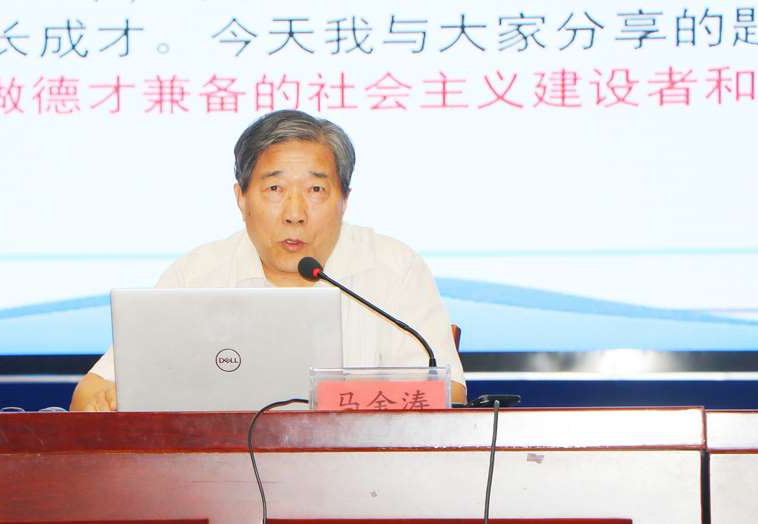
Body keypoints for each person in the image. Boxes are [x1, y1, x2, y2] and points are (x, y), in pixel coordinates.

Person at [70, 110, 466, 411]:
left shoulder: (393, 269)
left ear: (344, 200)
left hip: (363, 482)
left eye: (315, 190)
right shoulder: (197, 274)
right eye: (275, 188)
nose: (294, 213)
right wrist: (106, 400)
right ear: (241, 199)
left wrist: (326, 404)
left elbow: (448, 393)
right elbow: (90, 393)